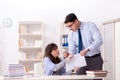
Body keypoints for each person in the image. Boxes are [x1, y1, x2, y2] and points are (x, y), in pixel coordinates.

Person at [64, 13, 103, 80]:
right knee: (79, 77)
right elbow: (72, 51)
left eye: (70, 25)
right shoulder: (71, 34)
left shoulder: (90, 26)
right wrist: (70, 56)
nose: (70, 28)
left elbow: (99, 40)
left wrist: (87, 49)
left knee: (97, 79)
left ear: (76, 21)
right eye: (68, 27)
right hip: (82, 60)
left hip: (95, 59)